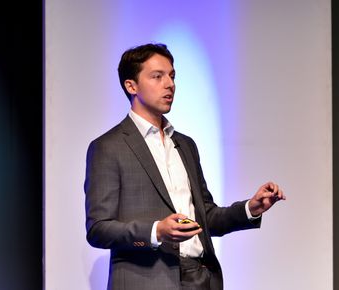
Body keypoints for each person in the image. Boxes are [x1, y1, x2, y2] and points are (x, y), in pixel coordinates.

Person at [84, 43, 285, 290]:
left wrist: (250, 209)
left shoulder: (185, 145)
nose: (169, 84)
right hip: (147, 282)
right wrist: (157, 231)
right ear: (131, 86)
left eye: (172, 75)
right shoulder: (108, 147)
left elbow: (205, 217)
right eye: (157, 76)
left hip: (200, 279)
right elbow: (98, 229)